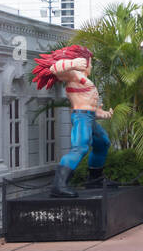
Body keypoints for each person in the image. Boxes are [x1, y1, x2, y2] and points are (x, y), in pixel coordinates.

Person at [32, 44, 113, 198]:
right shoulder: (73, 74)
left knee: (102, 142)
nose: (91, 66)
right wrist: (73, 63)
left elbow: (88, 104)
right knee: (80, 148)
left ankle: (94, 178)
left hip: (88, 116)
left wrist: (102, 113)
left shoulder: (82, 78)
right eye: (91, 62)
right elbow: (54, 68)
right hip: (81, 117)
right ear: (85, 61)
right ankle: (59, 185)